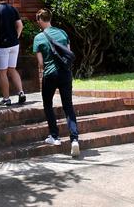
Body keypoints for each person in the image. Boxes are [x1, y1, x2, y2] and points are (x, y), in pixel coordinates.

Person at [33, 8, 80, 158]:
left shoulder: (39, 38)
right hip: (66, 74)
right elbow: (68, 53)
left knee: (47, 103)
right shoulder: (62, 33)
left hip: (50, 75)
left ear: (40, 20)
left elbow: (40, 63)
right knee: (68, 107)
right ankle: (74, 140)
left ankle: (54, 136)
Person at [0, 0, 26, 106]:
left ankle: (6, 98)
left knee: (2, 73)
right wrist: (16, 37)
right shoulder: (12, 9)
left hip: (1, 45)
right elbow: (20, 25)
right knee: (12, 69)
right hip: (14, 44)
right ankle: (21, 92)